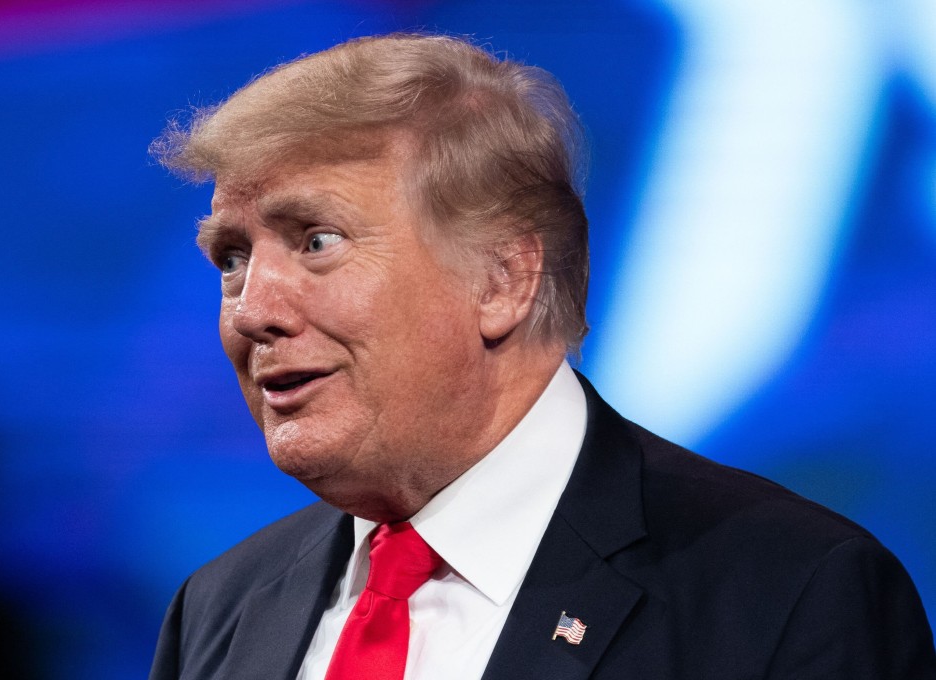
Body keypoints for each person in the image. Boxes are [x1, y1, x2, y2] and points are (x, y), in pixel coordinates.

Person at [148, 33, 935, 680]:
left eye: (319, 242)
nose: (252, 311)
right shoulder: (221, 608)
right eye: (232, 259)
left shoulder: (792, 594)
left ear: (503, 280)